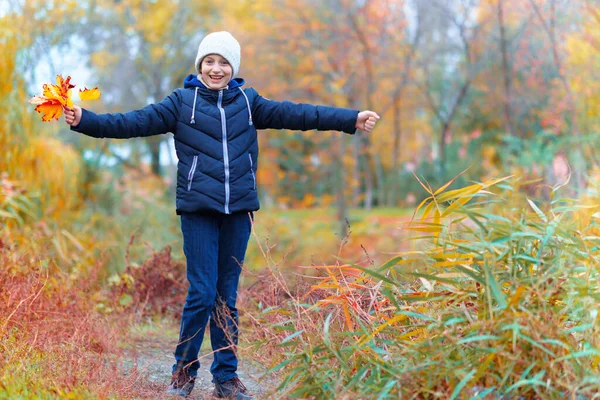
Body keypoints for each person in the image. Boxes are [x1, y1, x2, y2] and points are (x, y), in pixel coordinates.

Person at [64, 31, 379, 399]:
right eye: (209, 61)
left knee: (226, 296)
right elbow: (129, 123)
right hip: (198, 210)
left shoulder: (249, 103)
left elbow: (300, 114)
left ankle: (226, 379)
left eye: (224, 62)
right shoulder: (180, 104)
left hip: (238, 211)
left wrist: (351, 118)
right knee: (201, 292)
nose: (216, 68)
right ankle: (183, 372)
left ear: (234, 68)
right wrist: (84, 119)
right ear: (200, 65)